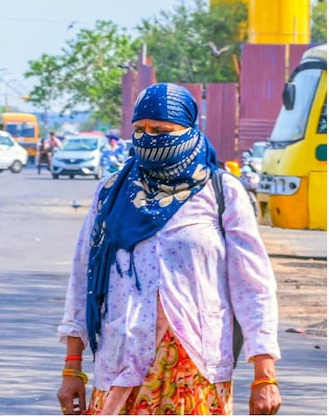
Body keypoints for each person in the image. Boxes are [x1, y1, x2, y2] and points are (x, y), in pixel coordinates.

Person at [56, 83, 281, 415]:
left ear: (188, 131)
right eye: (140, 131)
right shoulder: (111, 194)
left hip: (197, 372)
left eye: (160, 130)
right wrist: (72, 367)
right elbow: (81, 281)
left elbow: (253, 286)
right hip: (122, 363)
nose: (148, 139)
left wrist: (265, 374)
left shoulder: (222, 193)